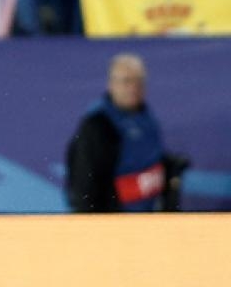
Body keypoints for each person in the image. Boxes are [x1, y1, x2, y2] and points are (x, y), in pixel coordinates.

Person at [65, 53, 186, 212]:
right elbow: (83, 184)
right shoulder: (98, 125)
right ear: (111, 84)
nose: (133, 88)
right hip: (116, 219)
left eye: (139, 81)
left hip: (149, 215)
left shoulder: (146, 116)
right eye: (126, 81)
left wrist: (168, 166)